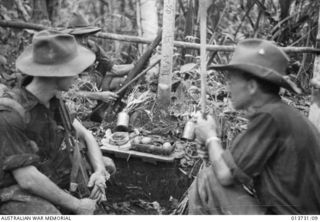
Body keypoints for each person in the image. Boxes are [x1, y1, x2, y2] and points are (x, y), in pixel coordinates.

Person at [188, 39, 320, 214]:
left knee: (209, 178)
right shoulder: (279, 114)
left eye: (233, 81)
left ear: (251, 86)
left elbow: (225, 175)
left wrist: (211, 136)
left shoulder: (270, 117)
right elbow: (237, 166)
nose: (229, 88)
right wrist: (211, 146)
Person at [0, 30, 115, 214]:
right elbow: (27, 179)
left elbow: (85, 135)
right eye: (73, 70)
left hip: (44, 170)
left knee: (107, 164)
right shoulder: (10, 112)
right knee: (51, 216)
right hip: (11, 186)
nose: (78, 76)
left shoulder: (55, 101)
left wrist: (99, 171)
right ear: (56, 74)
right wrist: (77, 205)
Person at [64, 12, 134, 103]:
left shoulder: (92, 47)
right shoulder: (65, 55)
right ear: (70, 37)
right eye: (79, 37)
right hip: (77, 99)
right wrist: (99, 96)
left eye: (86, 37)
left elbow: (116, 69)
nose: (84, 41)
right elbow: (68, 93)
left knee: (122, 82)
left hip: (96, 86)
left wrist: (138, 64)